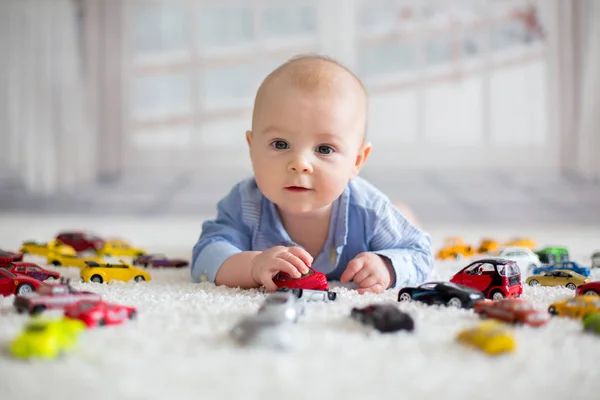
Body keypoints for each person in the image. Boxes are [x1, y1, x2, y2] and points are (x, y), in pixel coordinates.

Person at [191, 55, 433, 294]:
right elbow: (207, 254)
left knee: (402, 219)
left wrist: (387, 267)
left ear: (356, 161)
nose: (299, 164)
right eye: (280, 144)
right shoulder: (245, 203)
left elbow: (419, 253)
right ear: (252, 148)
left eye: (324, 149)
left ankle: (403, 212)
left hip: (382, 214)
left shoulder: (370, 211)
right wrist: (253, 265)